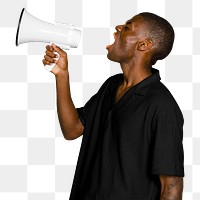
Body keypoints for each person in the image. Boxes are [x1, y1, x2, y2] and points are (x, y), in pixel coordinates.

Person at [42, 12, 184, 200]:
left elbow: (171, 187)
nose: (118, 27)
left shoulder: (162, 106)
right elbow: (72, 129)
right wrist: (62, 75)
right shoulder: (111, 86)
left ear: (144, 45)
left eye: (127, 27)